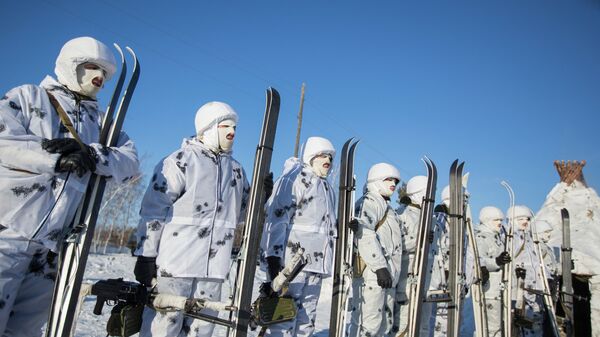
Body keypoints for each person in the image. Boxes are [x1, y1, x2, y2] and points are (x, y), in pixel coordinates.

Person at [0, 36, 139, 336]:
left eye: (104, 73)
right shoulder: (29, 97)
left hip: (53, 249)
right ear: (70, 65)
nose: (98, 77)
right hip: (7, 234)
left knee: (23, 331)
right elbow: (3, 141)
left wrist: (93, 154)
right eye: (91, 67)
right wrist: (52, 156)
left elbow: (129, 161)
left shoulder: (103, 123)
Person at [134, 101, 249, 337]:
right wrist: (145, 254)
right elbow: (154, 209)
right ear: (207, 128)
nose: (232, 132)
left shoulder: (237, 171)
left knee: (202, 327)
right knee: (164, 324)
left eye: (235, 127)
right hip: (177, 265)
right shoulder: (180, 161)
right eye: (225, 125)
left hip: (214, 269)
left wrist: (262, 196)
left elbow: (243, 213)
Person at [258, 136, 337, 337]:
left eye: (330, 156)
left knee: (306, 321)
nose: (327, 160)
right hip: (292, 264)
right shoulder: (296, 179)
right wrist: (274, 258)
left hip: (315, 266)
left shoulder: (327, 188)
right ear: (310, 156)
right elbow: (277, 219)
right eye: (322, 155)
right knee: (283, 319)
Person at [347, 163, 403, 337]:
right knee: (367, 325)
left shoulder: (388, 208)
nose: (393, 183)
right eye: (388, 179)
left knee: (384, 325)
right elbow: (364, 233)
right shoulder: (369, 202)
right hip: (372, 274)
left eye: (395, 180)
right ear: (376, 180)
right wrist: (379, 267)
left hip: (387, 275)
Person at [392, 175, 427, 335]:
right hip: (405, 279)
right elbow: (398, 243)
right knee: (403, 323)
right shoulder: (402, 213)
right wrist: (421, 241)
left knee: (421, 324)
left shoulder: (427, 217)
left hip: (423, 279)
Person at [508, 205, 545, 337]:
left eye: (527, 219)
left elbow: (536, 262)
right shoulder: (511, 238)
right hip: (520, 287)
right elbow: (509, 259)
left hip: (534, 287)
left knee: (536, 321)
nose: (525, 222)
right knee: (519, 322)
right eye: (521, 219)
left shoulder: (530, 239)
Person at [475, 206, 511, 337]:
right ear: (487, 220)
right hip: (489, 290)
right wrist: (497, 261)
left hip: (500, 288)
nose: (500, 223)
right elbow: (478, 260)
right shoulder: (481, 237)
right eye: (496, 220)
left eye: (501, 220)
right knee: (491, 326)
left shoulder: (498, 238)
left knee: (499, 325)